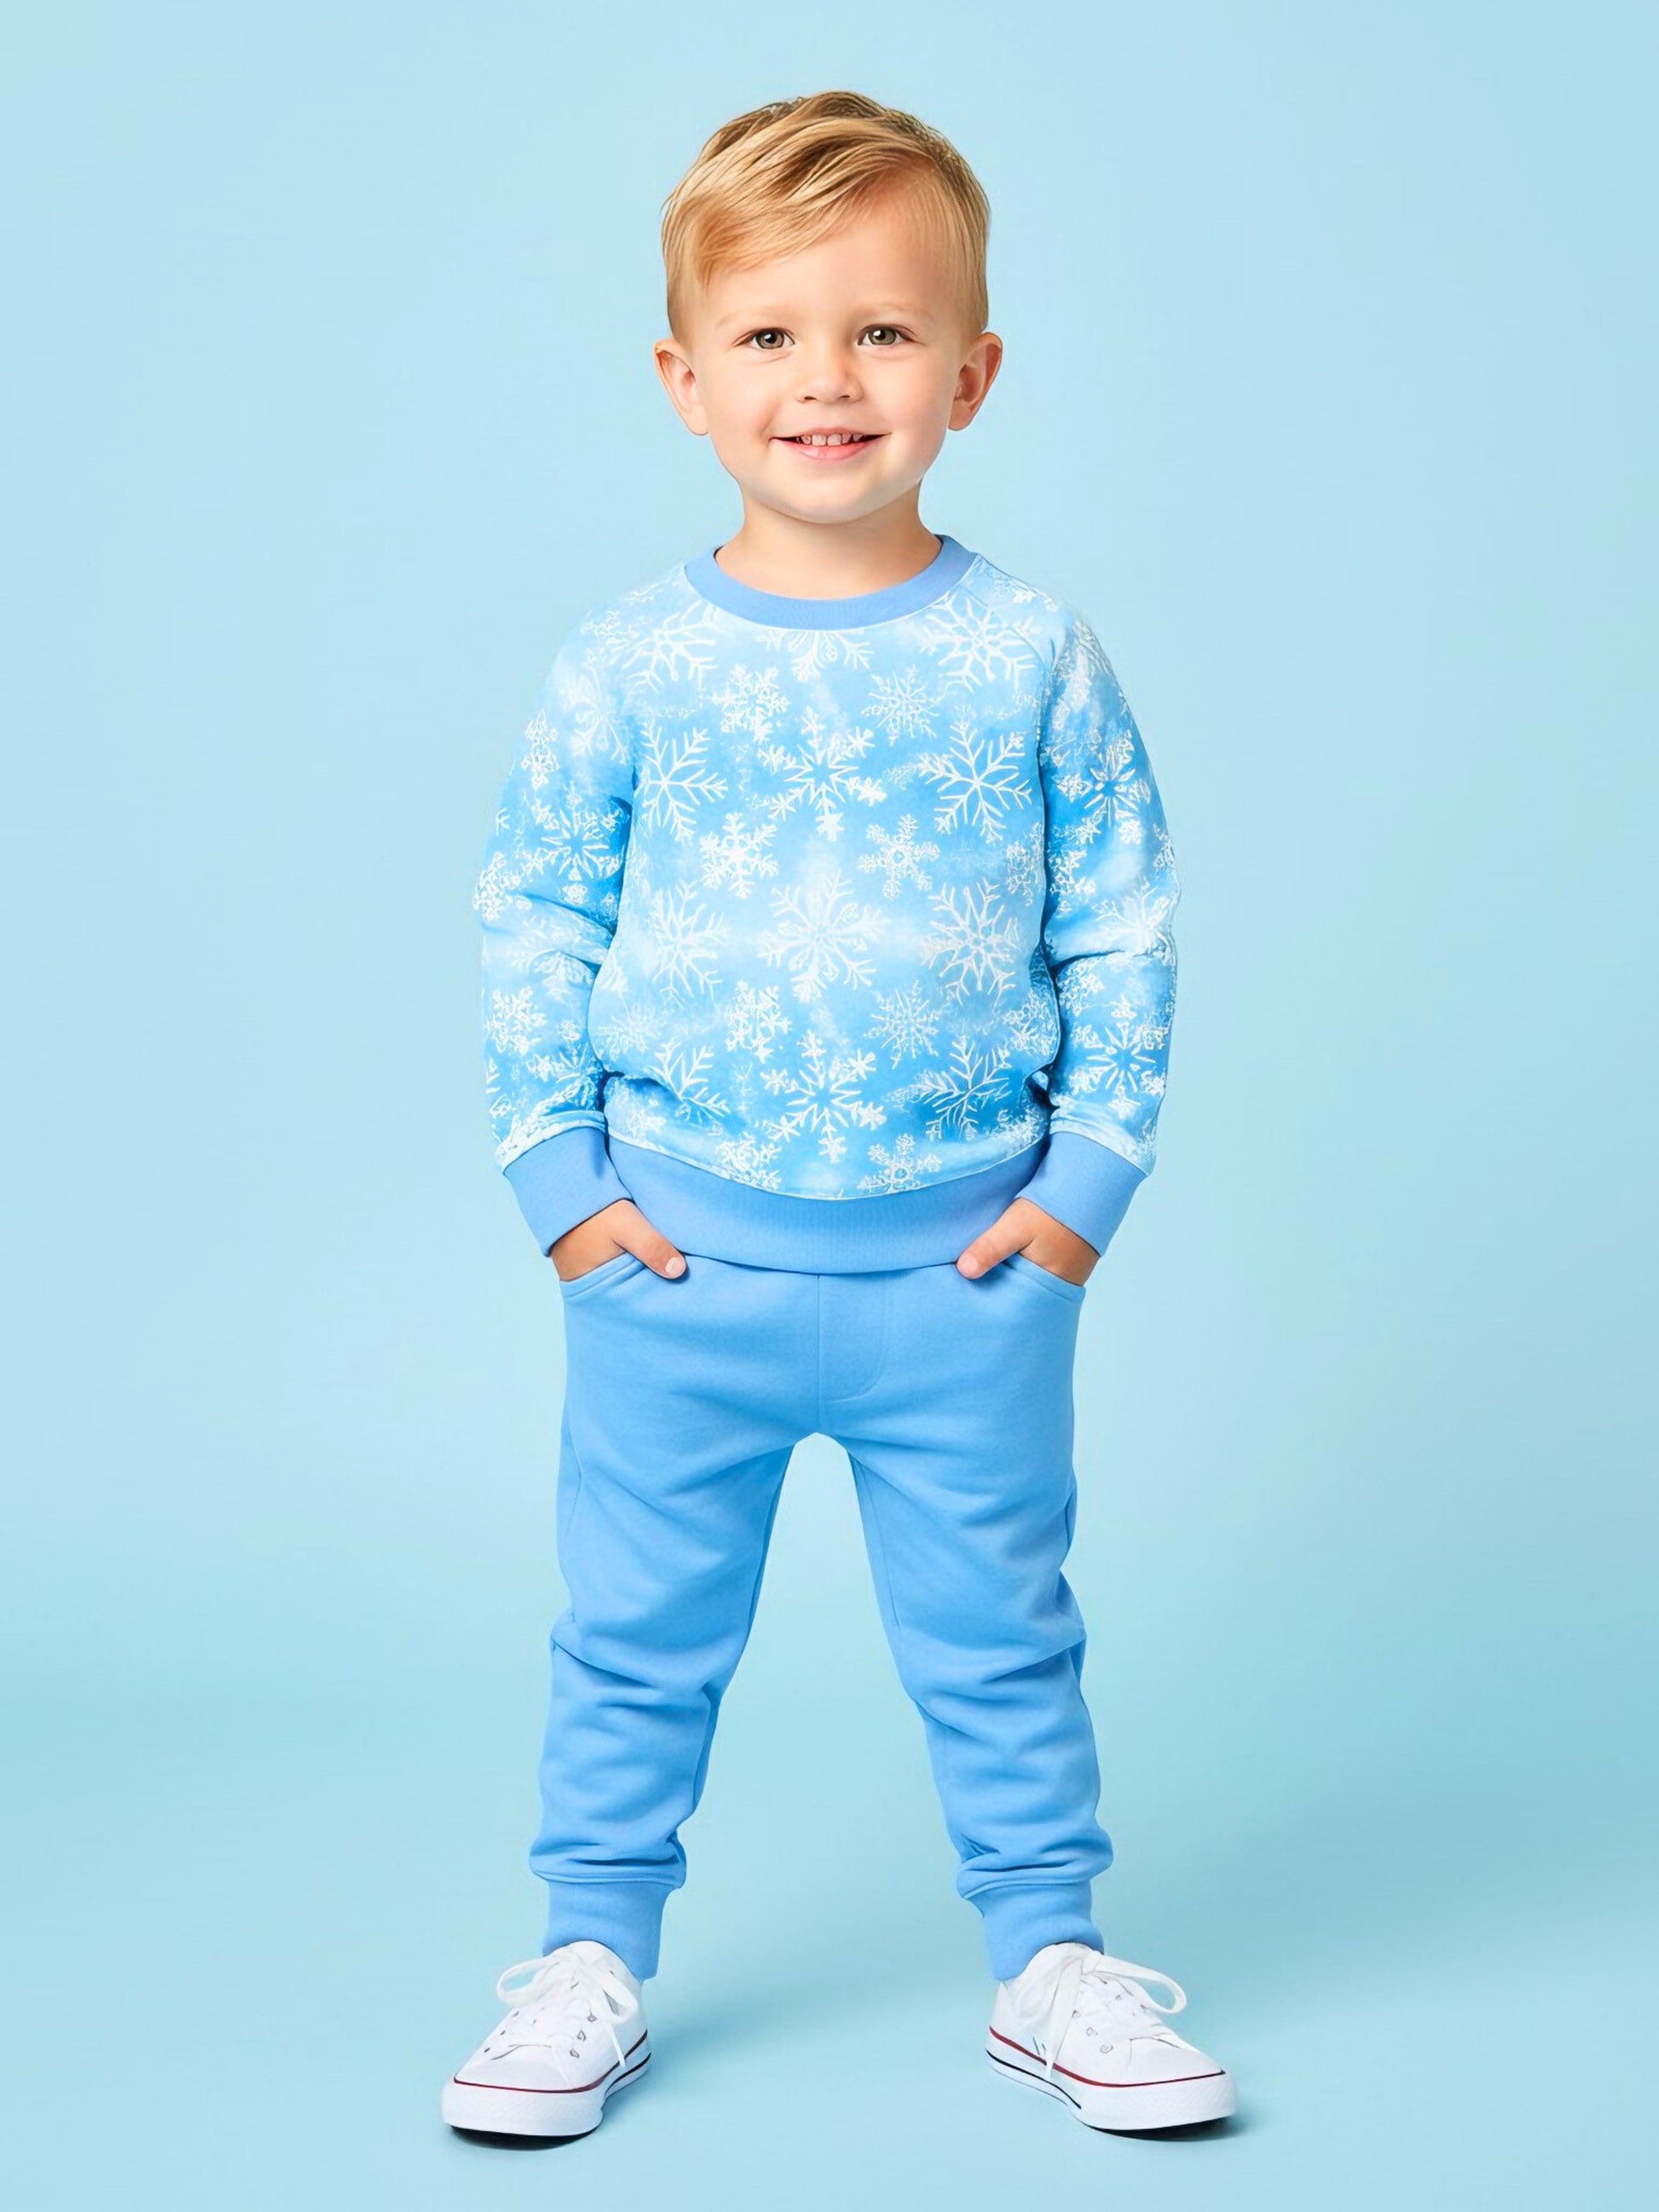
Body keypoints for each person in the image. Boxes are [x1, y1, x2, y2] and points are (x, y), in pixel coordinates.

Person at [443, 88, 1235, 2142]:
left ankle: (1049, 1956)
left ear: (971, 372)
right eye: (773, 335)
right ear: (683, 377)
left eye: (885, 332)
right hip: (672, 1262)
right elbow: (536, 914)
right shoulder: (627, 660)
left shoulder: (1031, 651)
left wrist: (1080, 1192)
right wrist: (562, 1189)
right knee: (634, 1634)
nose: (828, 379)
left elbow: (1123, 923)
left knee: (1000, 1630)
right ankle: (587, 1953)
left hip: (964, 1269)